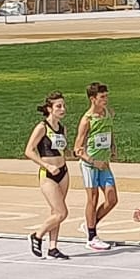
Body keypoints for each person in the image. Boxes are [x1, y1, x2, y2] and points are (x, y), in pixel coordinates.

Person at [22, 91, 72, 260]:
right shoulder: (42, 127)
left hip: (63, 172)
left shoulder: (63, 128)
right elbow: (29, 151)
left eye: (64, 105)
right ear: (50, 109)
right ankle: (37, 235)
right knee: (61, 213)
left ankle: (53, 247)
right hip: (48, 174)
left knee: (55, 211)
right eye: (58, 106)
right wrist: (47, 165)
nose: (62, 109)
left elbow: (63, 149)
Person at [73, 81, 119, 251]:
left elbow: (109, 131)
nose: (105, 100)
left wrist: (113, 147)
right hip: (90, 165)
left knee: (112, 199)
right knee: (93, 199)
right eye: (102, 97)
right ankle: (92, 237)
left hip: (104, 164)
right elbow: (77, 149)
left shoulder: (108, 113)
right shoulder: (87, 120)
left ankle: (90, 225)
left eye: (106, 96)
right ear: (93, 99)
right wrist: (93, 161)